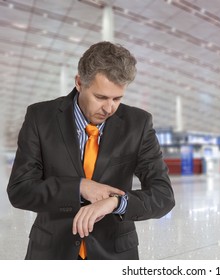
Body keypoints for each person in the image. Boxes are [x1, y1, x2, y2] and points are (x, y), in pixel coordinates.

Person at [7, 41, 175, 260]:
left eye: (117, 98)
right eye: (101, 97)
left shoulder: (138, 124)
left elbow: (163, 196)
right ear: (79, 82)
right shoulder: (40, 118)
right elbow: (20, 191)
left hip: (114, 254)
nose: (109, 108)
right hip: (51, 253)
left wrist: (115, 202)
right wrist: (79, 187)